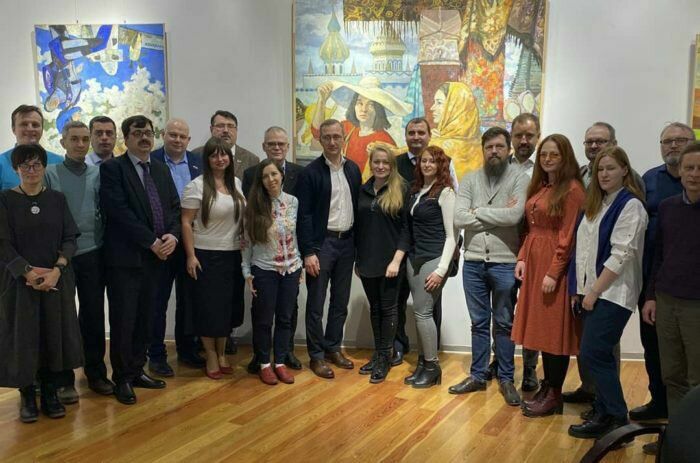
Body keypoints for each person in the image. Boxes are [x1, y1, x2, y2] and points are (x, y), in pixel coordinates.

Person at [566, 146, 647, 442]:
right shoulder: (597, 204)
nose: (604, 174)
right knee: (596, 354)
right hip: (592, 291)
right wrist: (578, 290)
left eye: (610, 168)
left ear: (625, 170)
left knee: (594, 352)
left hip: (613, 293)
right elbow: (582, 251)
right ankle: (603, 412)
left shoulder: (631, 206)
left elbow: (621, 254)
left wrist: (594, 292)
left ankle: (616, 419)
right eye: (600, 169)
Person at [100, 115, 181, 405]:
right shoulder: (113, 169)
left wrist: (172, 236)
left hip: (157, 259)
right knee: (124, 320)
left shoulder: (160, 168)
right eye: (137, 133)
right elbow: (119, 212)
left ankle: (137, 370)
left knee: (146, 317)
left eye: (148, 132)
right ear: (126, 138)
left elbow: (174, 207)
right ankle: (122, 377)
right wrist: (151, 242)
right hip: (126, 260)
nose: (144, 137)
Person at [0, 144, 82, 423]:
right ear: (16, 169)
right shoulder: (5, 200)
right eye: (25, 165)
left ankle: (50, 393)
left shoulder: (57, 199)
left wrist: (57, 270)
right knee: (24, 338)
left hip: (55, 281)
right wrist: (28, 273)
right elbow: (3, 243)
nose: (31, 170)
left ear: (45, 167)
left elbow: (70, 238)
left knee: (52, 336)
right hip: (18, 283)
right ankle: (27, 396)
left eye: (36, 164)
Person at [450, 127, 528, 405]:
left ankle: (506, 378)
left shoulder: (520, 178)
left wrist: (478, 211)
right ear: (482, 150)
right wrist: (498, 215)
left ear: (508, 149)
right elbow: (459, 218)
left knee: (505, 323)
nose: (494, 151)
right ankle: (478, 375)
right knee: (479, 323)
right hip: (473, 262)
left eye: (499, 146)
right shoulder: (470, 179)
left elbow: (515, 216)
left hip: (505, 262)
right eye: (489, 147)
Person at [511, 134, 586, 417]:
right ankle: (548, 386)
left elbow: (568, 237)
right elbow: (531, 229)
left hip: (554, 267)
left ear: (565, 157)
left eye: (554, 154)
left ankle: (554, 393)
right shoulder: (543, 186)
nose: (548, 159)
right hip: (535, 262)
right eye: (544, 154)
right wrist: (522, 257)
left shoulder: (573, 190)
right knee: (542, 329)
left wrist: (554, 272)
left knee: (554, 331)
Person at [634, 123, 695, 456]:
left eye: (699, 168)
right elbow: (657, 251)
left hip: (695, 301)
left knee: (695, 375)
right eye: (689, 169)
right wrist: (651, 294)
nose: (694, 174)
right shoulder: (665, 201)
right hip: (663, 294)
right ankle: (674, 434)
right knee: (669, 370)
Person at [44, 121, 112, 402]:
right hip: (61, 257)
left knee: (93, 315)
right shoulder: (50, 173)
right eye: (74, 139)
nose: (80, 144)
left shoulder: (98, 173)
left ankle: (95, 373)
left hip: (93, 253)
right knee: (62, 318)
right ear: (63, 143)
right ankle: (63, 378)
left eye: (85, 139)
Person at [296, 119, 362, 379]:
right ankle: (316, 355)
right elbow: (304, 216)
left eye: (337, 136)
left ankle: (333, 347)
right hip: (322, 244)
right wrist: (308, 252)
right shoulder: (310, 173)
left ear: (343, 138)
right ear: (320, 140)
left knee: (340, 302)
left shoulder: (353, 169)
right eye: (327, 137)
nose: (332, 142)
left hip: (347, 243)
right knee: (316, 303)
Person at [181, 137, 246, 380]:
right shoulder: (196, 186)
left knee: (228, 308)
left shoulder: (236, 183)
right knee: (208, 309)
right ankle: (210, 354)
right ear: (207, 159)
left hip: (233, 255)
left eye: (224, 154)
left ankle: (222, 353)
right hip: (205, 256)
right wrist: (190, 256)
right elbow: (185, 222)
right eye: (214, 155)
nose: (220, 159)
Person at [486, 112, 541, 391]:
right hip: (504, 248)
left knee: (531, 313)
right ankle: (499, 360)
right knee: (502, 310)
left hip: (534, 251)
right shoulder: (498, 166)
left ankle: (530, 369)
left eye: (529, 135)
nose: (523, 140)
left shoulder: (543, 169)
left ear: (538, 136)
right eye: (518, 135)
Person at [242, 127, 304, 372]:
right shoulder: (253, 202)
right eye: (266, 176)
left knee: (286, 316)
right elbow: (247, 239)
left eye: (274, 174)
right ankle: (263, 361)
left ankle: (281, 359)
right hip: (264, 267)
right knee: (263, 318)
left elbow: (296, 234)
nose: (271, 179)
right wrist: (247, 271)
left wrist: (299, 263)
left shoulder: (293, 201)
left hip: (290, 268)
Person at [147, 118, 205, 376]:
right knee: (157, 301)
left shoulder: (198, 162)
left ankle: (187, 349)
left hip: (190, 241)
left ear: (188, 140)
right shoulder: (151, 161)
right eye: (173, 135)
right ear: (164, 135)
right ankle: (156, 354)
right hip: (162, 242)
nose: (178, 140)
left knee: (188, 300)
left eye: (182, 136)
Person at [393, 117, 449, 366]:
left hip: (432, 253)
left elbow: (451, 222)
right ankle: (402, 349)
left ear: (429, 135)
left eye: (420, 132)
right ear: (406, 136)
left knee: (428, 307)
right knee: (401, 302)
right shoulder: (397, 166)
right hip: (403, 248)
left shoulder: (445, 174)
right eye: (411, 132)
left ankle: (429, 358)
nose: (416, 137)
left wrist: (445, 264)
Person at [355, 142, 410, 383]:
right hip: (367, 260)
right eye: (376, 162)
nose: (380, 166)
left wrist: (396, 261)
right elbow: (359, 228)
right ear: (370, 164)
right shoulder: (363, 190)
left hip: (391, 262)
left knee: (389, 309)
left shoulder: (401, 189)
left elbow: (407, 230)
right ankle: (378, 355)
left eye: (385, 162)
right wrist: (358, 260)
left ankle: (385, 358)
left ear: (392, 165)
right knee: (375, 308)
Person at [403, 145, 457, 389]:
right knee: (419, 313)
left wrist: (441, 270)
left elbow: (452, 237)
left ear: (440, 165)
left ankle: (433, 367)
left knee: (423, 313)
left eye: (432, 161)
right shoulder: (416, 191)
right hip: (414, 259)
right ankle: (423, 364)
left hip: (434, 259)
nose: (427, 164)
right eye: (423, 160)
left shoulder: (446, 193)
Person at [311, 76, 409, 176]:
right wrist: (321, 101)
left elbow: (390, 176)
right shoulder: (347, 128)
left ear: (378, 109)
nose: (363, 109)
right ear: (354, 106)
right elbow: (317, 133)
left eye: (370, 104)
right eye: (359, 103)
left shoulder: (384, 140)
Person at [0, 105, 63, 190]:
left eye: (35, 125)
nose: (30, 129)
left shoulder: (59, 162)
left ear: (42, 129)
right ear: (13, 129)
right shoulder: (1, 163)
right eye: (24, 124)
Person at [429, 82, 482, 179]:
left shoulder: (435, 147)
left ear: (456, 108)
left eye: (439, 103)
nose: (432, 108)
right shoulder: (483, 148)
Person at [192, 110, 259, 182]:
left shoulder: (251, 160)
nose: (226, 130)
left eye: (230, 126)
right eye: (220, 126)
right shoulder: (196, 155)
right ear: (211, 129)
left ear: (236, 130)